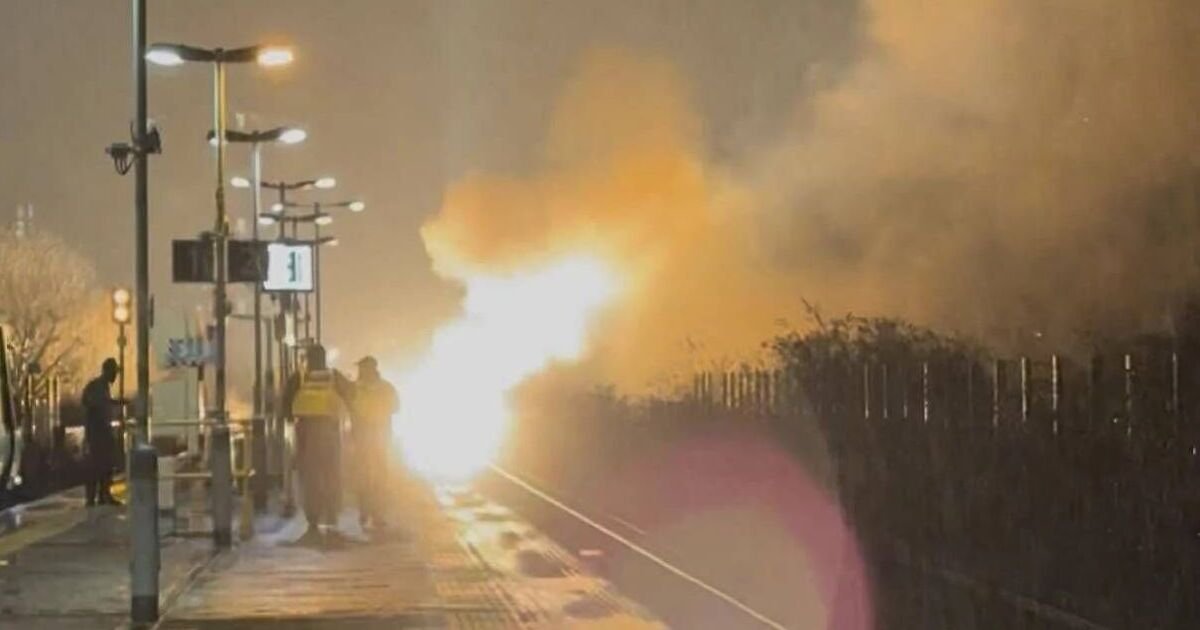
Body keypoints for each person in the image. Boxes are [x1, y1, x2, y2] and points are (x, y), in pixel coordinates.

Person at [284, 344, 349, 545]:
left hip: (306, 432)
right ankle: (331, 523)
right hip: (330, 432)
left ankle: (313, 524)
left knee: (310, 477)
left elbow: (285, 403)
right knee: (331, 475)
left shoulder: (298, 378)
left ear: (307, 359)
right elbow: (351, 396)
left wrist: (289, 418)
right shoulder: (334, 376)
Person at [345, 356, 398, 530]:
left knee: (364, 477)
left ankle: (366, 512)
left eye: (361, 368)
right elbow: (396, 407)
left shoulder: (355, 388)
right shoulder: (386, 387)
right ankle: (376, 514)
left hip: (363, 438)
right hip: (380, 437)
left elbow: (348, 409)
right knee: (378, 477)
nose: (360, 372)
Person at [81, 358, 123, 507]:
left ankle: (103, 495)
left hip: (102, 431)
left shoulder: (102, 387)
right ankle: (93, 497)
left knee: (106, 465)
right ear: (107, 371)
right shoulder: (96, 386)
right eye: (114, 373)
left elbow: (104, 402)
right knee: (97, 465)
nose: (115, 376)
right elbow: (91, 403)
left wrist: (118, 402)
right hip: (97, 432)